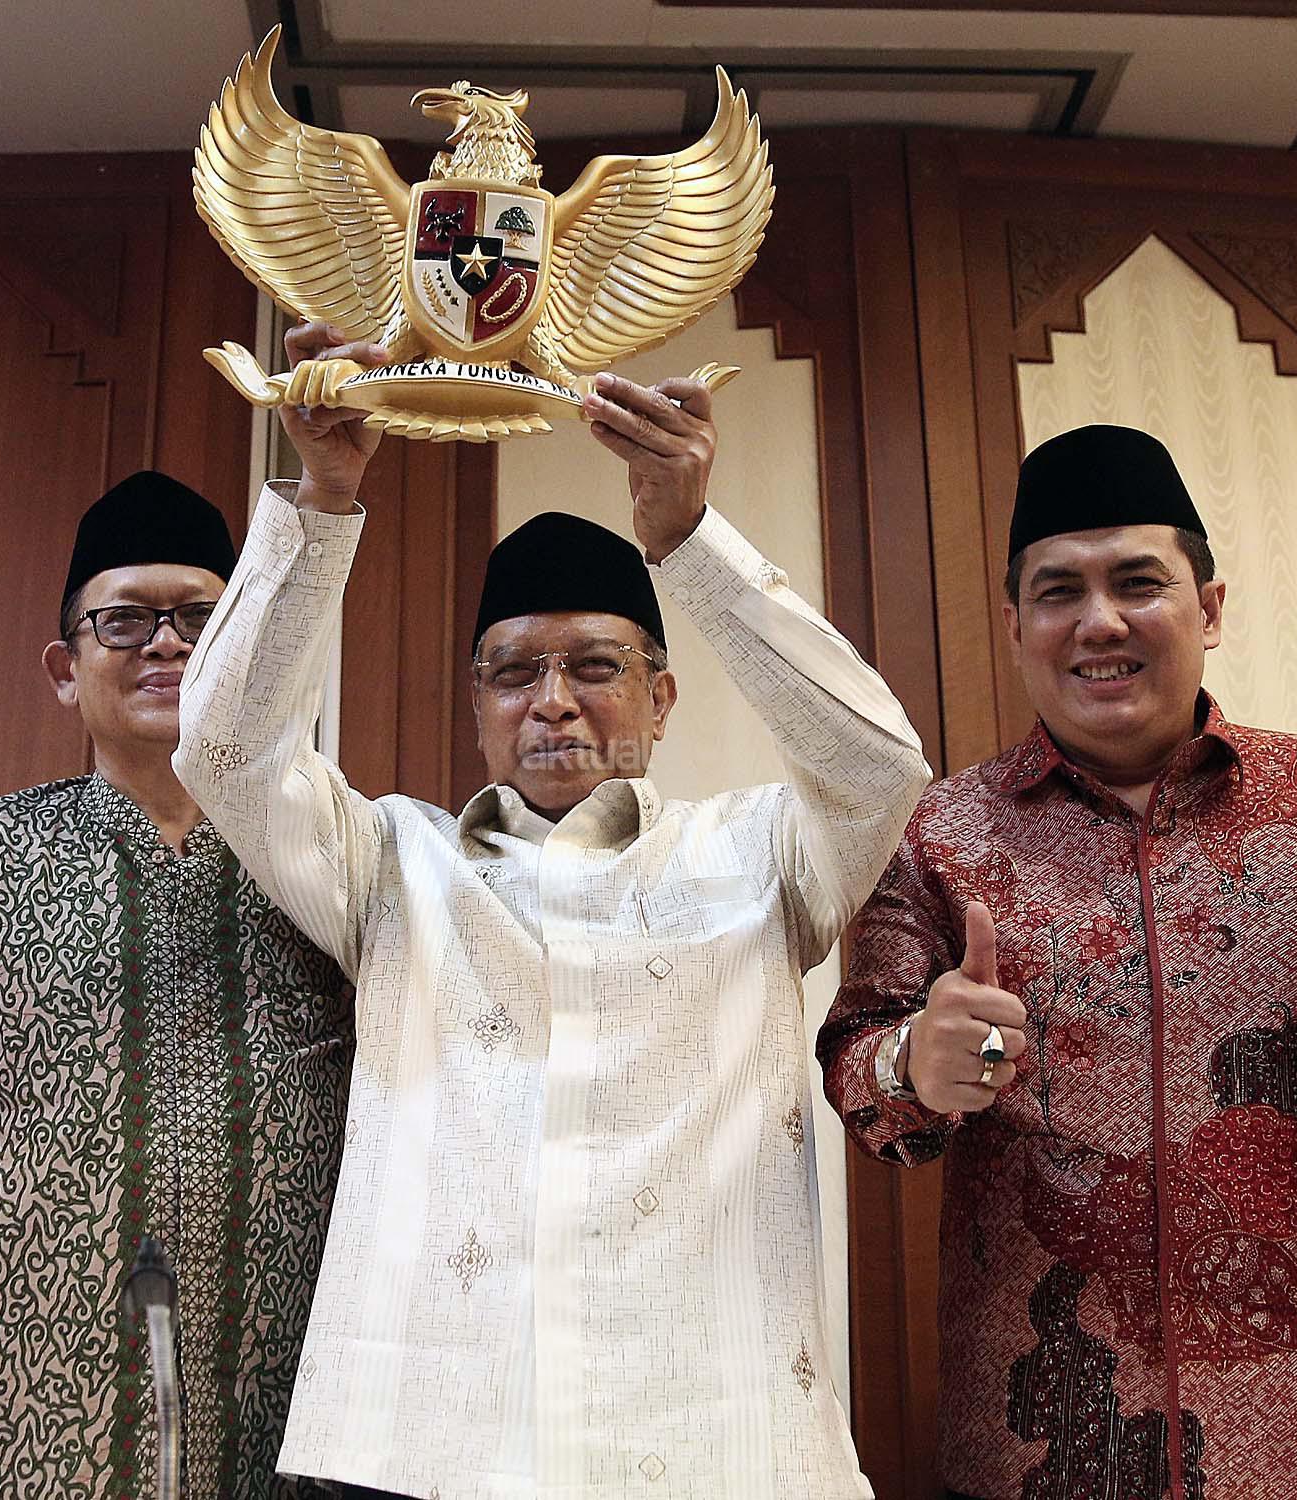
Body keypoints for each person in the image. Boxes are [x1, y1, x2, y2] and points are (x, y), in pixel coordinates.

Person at [170, 324, 930, 1497]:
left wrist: (686, 539)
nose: (553, 701)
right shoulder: (393, 865)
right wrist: (323, 496)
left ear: (661, 698)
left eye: (595, 666)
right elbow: (223, 751)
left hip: (715, 1445)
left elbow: (878, 766)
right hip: (437, 1453)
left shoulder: (762, 857)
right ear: (477, 705)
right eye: (514, 671)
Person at [818, 424, 1297, 1500]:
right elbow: (863, 1088)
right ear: (1014, 627)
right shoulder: (941, 836)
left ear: (1210, 609)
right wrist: (914, 1063)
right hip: (1047, 1444)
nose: (1099, 621)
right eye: (1058, 592)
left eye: (1138, 582)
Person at [0, 472, 353, 1500]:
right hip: (8, 1436)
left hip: (285, 1443)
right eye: (125, 621)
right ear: (65, 668)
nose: (166, 644)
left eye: (201, 618)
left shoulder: (330, 870)